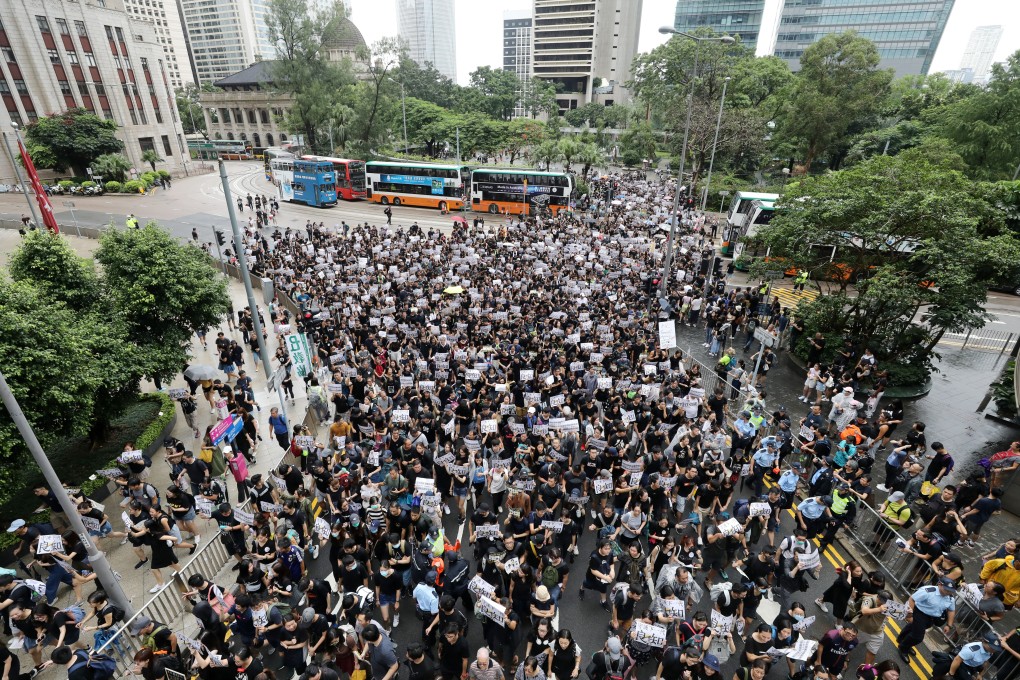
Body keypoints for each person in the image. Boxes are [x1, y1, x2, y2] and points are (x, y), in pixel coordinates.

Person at [897, 578, 956, 661]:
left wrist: (949, 625)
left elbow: (951, 610)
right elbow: (912, 599)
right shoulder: (928, 591)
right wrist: (910, 615)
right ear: (940, 584)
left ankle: (901, 639)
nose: (948, 592)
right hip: (919, 613)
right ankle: (903, 648)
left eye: (950, 591)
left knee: (912, 628)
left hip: (931, 618)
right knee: (917, 637)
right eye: (946, 589)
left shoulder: (950, 598)